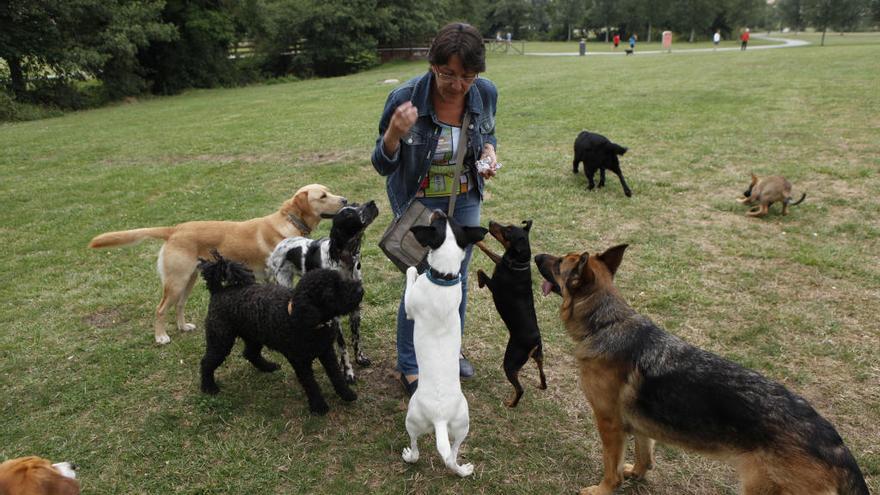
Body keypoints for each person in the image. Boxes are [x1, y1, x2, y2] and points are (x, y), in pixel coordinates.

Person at [371, 22, 499, 396]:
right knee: (422, 281)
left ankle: (448, 351)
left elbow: (487, 133)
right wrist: (394, 133)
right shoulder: (405, 97)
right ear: (433, 66)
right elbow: (382, 163)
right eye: (448, 74)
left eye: (467, 76)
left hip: (465, 198)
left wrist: (489, 152)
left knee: (454, 279)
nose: (458, 84)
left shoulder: (486, 93)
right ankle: (410, 364)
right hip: (418, 202)